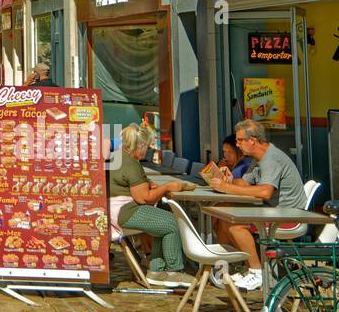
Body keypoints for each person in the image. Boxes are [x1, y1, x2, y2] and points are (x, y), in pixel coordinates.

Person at [209, 118, 306, 292]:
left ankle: (257, 272)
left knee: (235, 223)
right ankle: (227, 267)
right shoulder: (258, 158)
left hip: (288, 216)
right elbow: (244, 184)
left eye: (239, 140)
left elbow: (264, 192)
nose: (237, 144)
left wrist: (226, 187)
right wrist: (226, 179)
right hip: (273, 211)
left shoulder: (271, 159)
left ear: (252, 141)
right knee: (224, 214)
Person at [107, 124, 194, 285]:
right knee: (171, 222)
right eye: (146, 146)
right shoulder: (131, 164)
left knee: (162, 219)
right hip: (123, 212)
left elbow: (132, 185)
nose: (146, 150)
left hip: (113, 211)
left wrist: (149, 184)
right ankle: (174, 272)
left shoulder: (117, 157)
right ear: (139, 145)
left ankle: (156, 270)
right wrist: (166, 187)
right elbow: (145, 198)